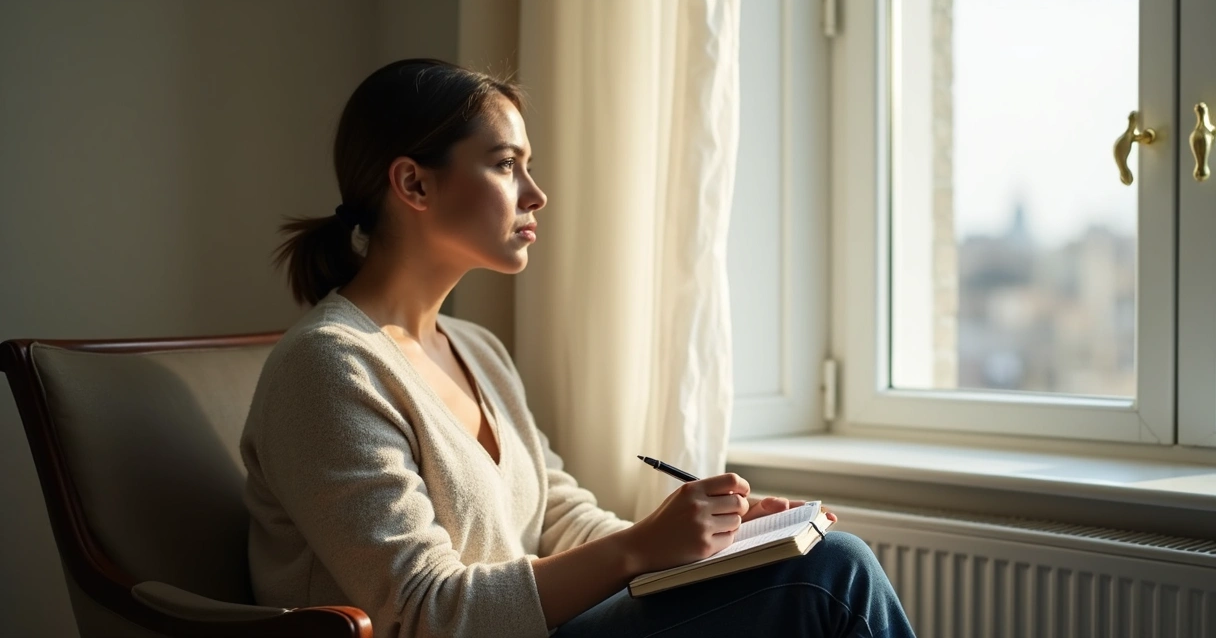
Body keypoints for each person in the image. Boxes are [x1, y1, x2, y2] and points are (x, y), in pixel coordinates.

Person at [240, 58, 915, 638]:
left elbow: (559, 519)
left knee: (811, 565)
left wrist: (718, 546)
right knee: (833, 576)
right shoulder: (329, 367)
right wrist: (641, 548)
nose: (536, 195)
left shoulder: (475, 349)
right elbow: (423, 614)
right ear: (414, 184)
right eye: (506, 166)